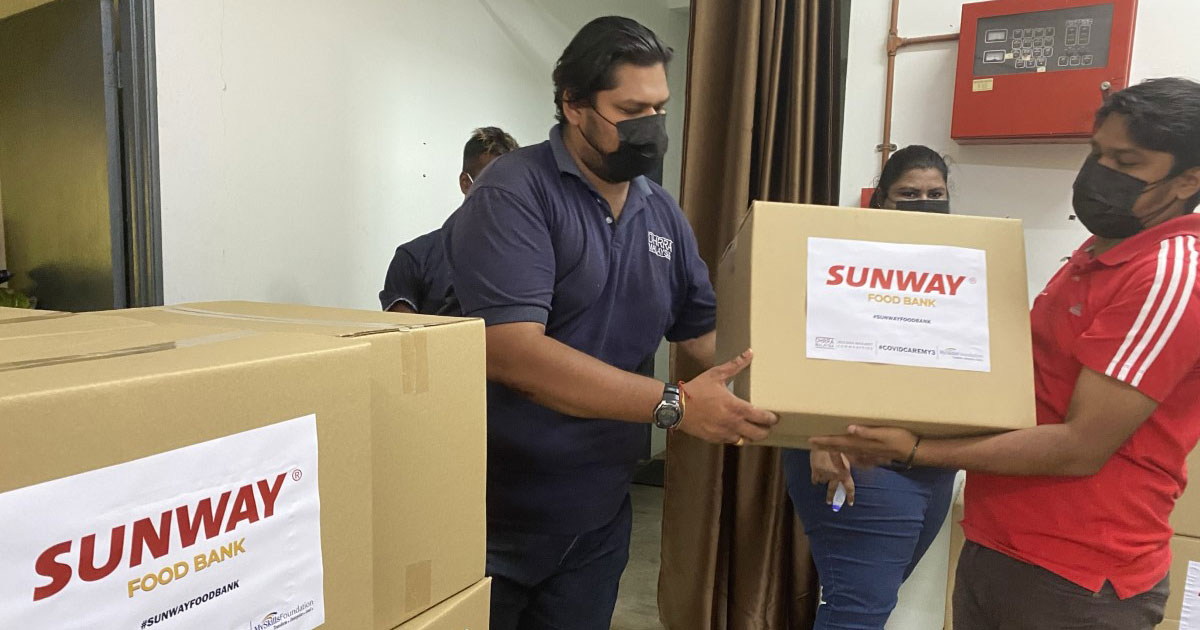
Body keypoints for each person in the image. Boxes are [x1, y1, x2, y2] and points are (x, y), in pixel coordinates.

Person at [813, 77, 1200, 630]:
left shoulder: (1167, 275)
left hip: (1078, 570)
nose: (1100, 172)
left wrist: (916, 449)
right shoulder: (1098, 253)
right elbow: (1019, 388)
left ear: (1188, 178)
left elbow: (1080, 446)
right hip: (1005, 544)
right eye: (1097, 153)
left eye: (1126, 160)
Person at [442, 16, 778, 630]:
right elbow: (514, 354)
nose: (651, 127)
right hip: (498, 517)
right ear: (573, 103)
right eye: (631, 109)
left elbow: (703, 334)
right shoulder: (514, 195)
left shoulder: (660, 211)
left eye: (660, 108)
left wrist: (809, 398)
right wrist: (673, 405)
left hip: (598, 513)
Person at [783, 145, 958, 630]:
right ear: (880, 201)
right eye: (909, 194)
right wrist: (819, 434)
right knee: (857, 611)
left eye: (935, 194)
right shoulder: (837, 255)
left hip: (932, 459)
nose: (923, 202)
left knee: (868, 601)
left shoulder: (958, 265)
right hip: (855, 451)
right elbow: (797, 348)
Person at [378, 126, 518, 314]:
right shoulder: (414, 259)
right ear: (465, 183)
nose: (504, 195)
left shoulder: (533, 257)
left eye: (513, 184)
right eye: (493, 184)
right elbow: (405, 341)